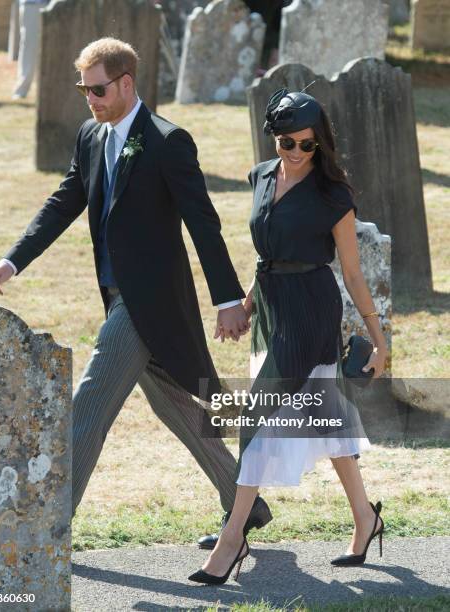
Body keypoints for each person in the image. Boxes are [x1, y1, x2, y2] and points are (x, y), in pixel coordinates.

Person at [0, 37, 273, 541]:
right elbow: (64, 201)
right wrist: (14, 260)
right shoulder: (90, 137)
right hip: (118, 298)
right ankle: (242, 500)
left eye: (98, 89)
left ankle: (43, 528)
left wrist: (229, 301)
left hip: (151, 305)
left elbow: (203, 224)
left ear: (126, 83)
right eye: (84, 90)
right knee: (177, 406)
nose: (90, 98)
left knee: (89, 403)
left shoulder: (168, 141)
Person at [189, 89, 388, 584]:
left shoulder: (332, 194)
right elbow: (268, 251)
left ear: (320, 144)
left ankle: (233, 537)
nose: (297, 153)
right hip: (273, 308)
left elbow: (353, 273)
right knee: (326, 416)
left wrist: (378, 338)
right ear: (274, 139)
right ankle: (366, 517)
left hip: (311, 310)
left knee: (256, 416)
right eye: (287, 143)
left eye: (307, 144)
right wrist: (248, 303)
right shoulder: (260, 176)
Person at [12, 0, 49, 99]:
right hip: (32, 5)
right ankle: (21, 89)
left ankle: (47, 89)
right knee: (29, 47)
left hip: (52, 4)